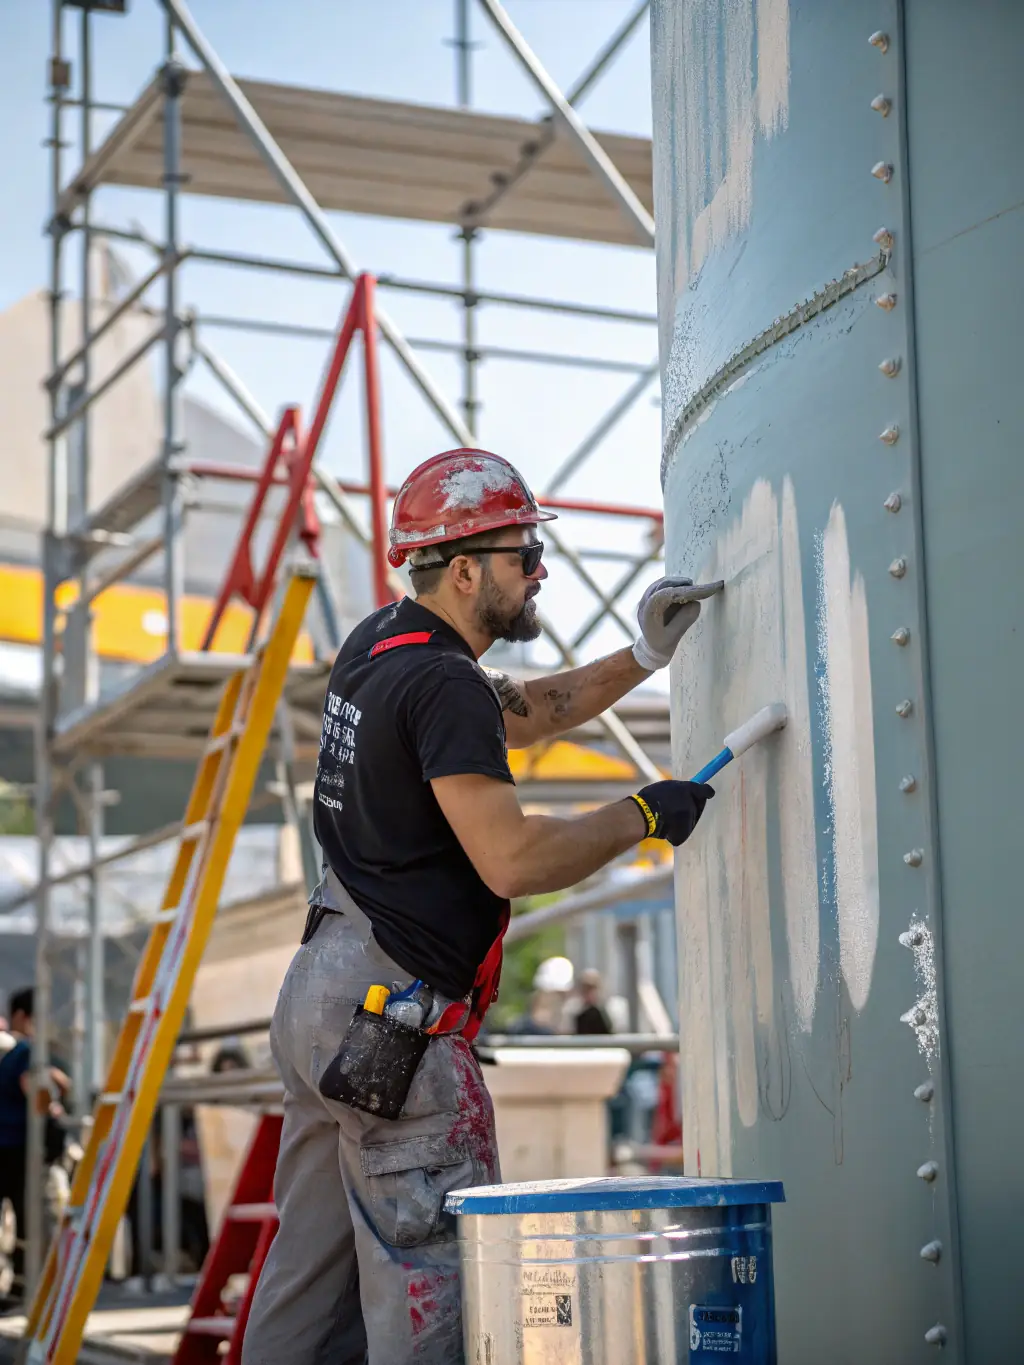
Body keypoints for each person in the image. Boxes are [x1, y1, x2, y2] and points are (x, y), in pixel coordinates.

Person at [242, 448, 718, 1365]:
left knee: (308, 1290)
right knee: (435, 1292)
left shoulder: (385, 640)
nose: (539, 568)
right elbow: (510, 858)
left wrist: (648, 653)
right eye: (522, 553)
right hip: (394, 1029)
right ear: (464, 569)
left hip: (320, 997)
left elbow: (525, 712)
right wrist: (644, 815)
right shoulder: (443, 684)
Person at [0, 988, 69, 1303]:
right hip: (16, 1147)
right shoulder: (26, 1051)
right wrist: (55, 1106)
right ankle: (23, 1290)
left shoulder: (7, 1051)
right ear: (23, 1017)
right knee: (27, 1218)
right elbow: (34, 1094)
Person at [574, 968, 614, 1036]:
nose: (589, 992)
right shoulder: (573, 1010)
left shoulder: (612, 1009)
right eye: (585, 988)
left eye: (592, 987)